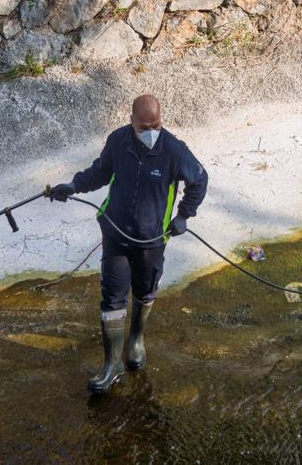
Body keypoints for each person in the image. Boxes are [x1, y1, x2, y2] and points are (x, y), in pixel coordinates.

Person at [49, 93, 207, 394]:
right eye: (144, 125)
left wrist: (184, 215)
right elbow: (99, 172)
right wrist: (72, 186)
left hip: (152, 238)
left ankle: (136, 339)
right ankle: (112, 364)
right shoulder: (118, 141)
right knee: (112, 297)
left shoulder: (174, 150)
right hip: (116, 233)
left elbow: (200, 180)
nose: (150, 130)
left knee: (145, 290)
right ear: (131, 120)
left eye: (155, 124)